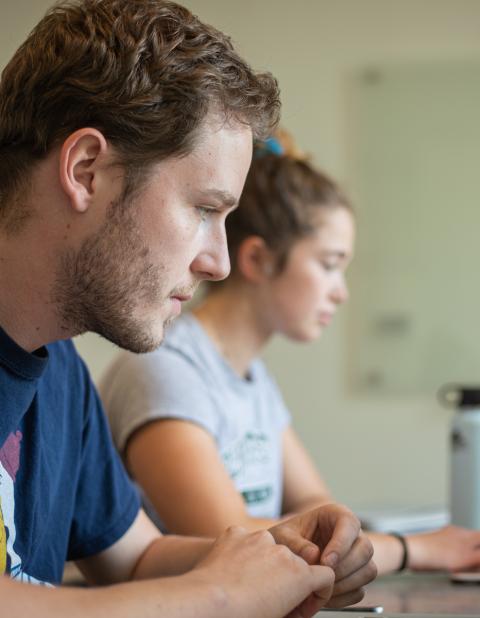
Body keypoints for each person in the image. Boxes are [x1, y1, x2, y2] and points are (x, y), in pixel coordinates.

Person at [0, 0, 377, 615]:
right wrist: (217, 593)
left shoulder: (61, 372)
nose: (219, 264)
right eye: (204, 209)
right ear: (87, 170)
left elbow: (137, 557)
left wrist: (275, 553)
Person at [101, 132, 480, 577]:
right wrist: (413, 549)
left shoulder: (253, 379)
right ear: (258, 259)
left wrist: (342, 537)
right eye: (328, 264)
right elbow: (231, 537)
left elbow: (315, 507)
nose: (341, 292)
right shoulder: (163, 371)